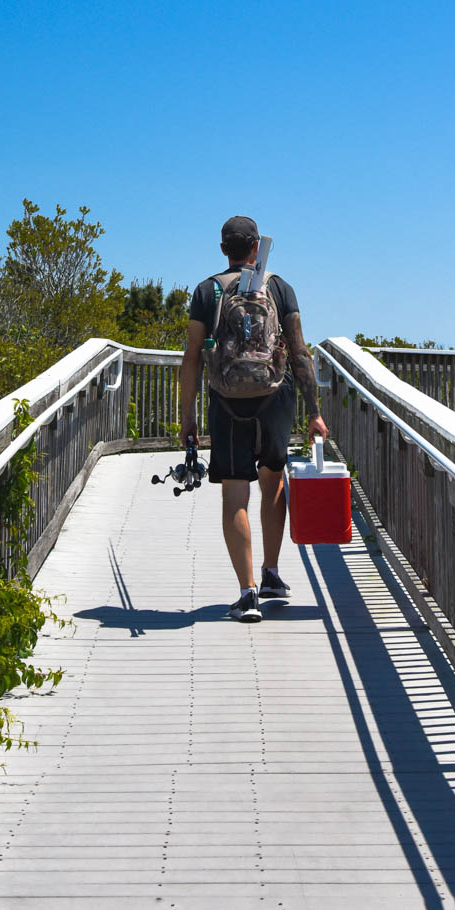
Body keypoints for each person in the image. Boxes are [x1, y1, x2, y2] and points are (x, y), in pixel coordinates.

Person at [179, 215, 328, 622]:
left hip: (226, 400)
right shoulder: (279, 287)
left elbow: (192, 356)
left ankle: (247, 595)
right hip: (274, 396)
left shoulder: (207, 290)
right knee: (272, 479)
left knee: (234, 494)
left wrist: (187, 417)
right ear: (257, 247)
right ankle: (272, 574)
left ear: (224, 248)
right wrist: (314, 413)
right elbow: (299, 351)